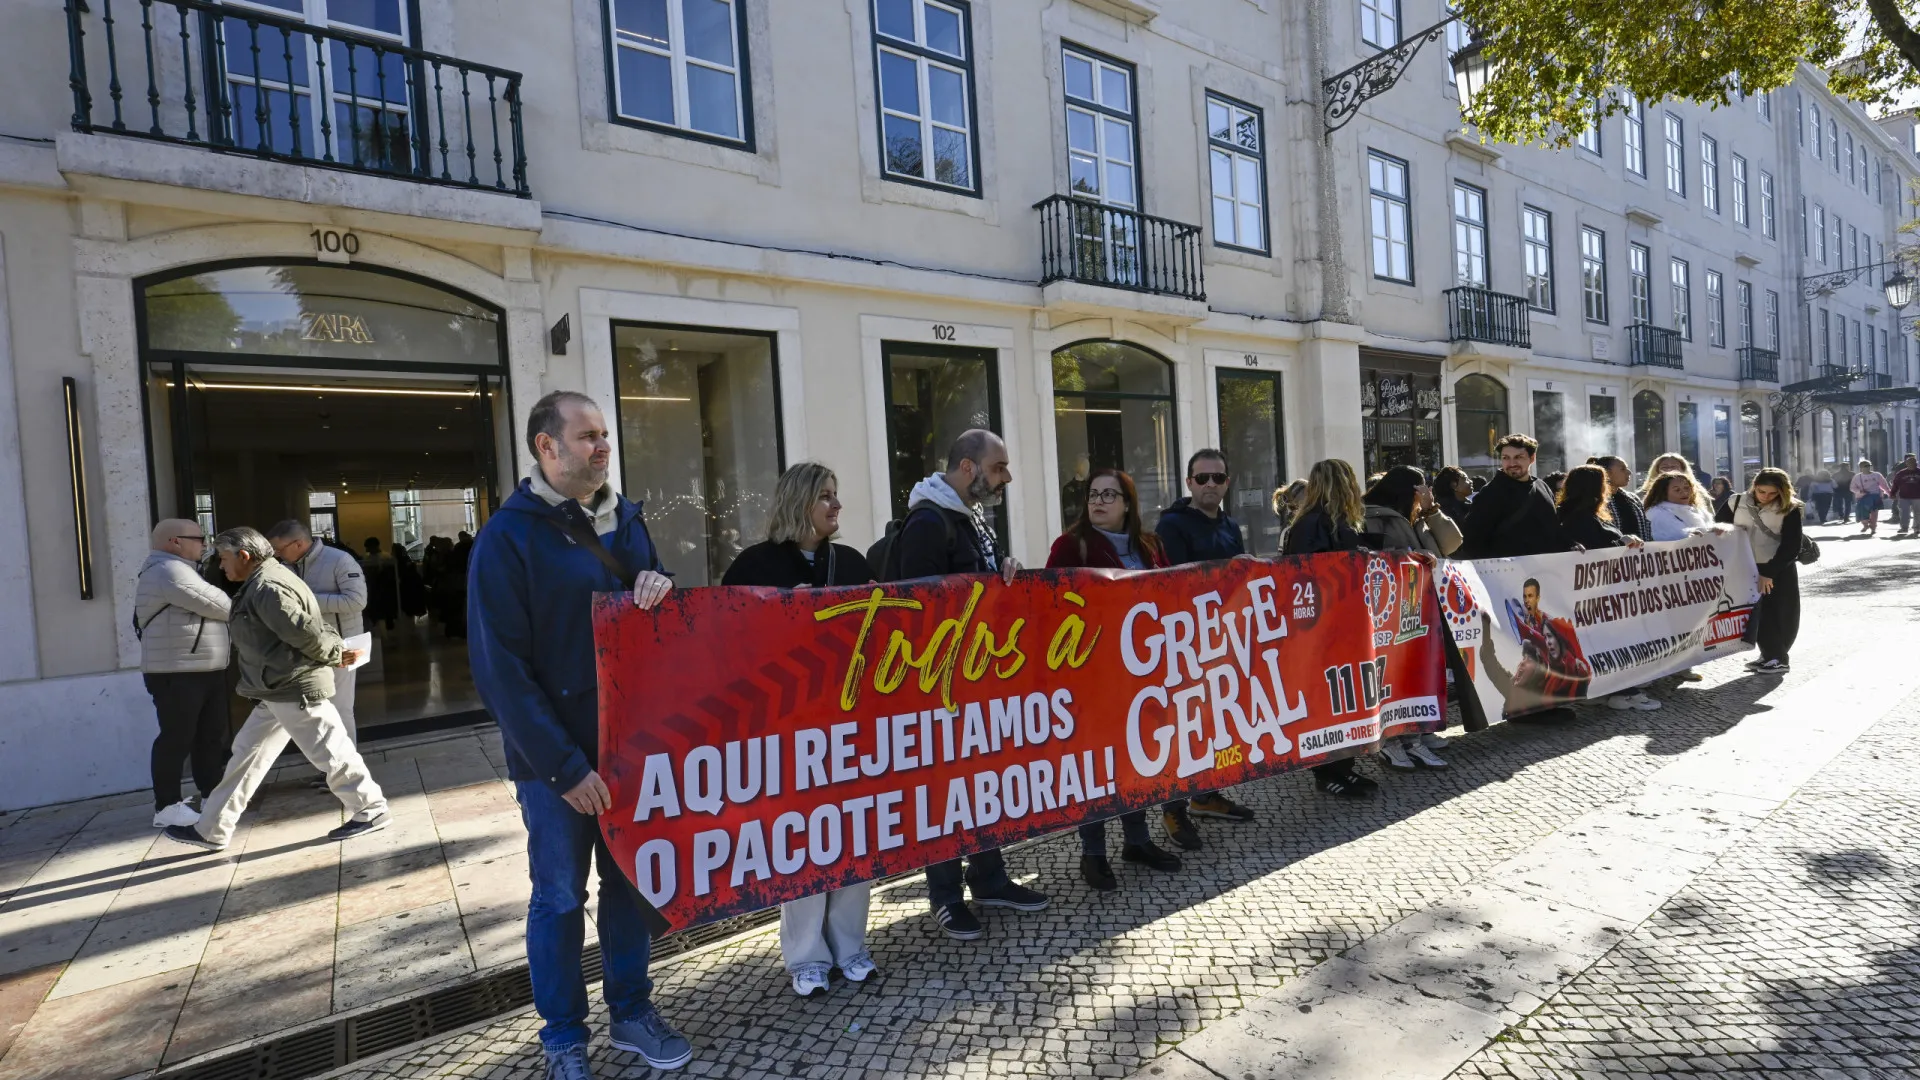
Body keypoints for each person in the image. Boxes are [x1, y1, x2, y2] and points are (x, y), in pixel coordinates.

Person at [468, 391, 691, 1076]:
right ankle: (564, 1037)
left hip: (626, 752)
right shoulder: (507, 538)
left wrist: (659, 584)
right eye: (587, 435)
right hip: (555, 768)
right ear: (547, 447)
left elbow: (653, 617)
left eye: (605, 436)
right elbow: (500, 670)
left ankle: (632, 1012)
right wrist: (565, 770)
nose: (602, 447)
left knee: (628, 886)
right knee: (561, 896)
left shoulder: (626, 521)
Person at [720, 463, 879, 996]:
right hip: (788, 729)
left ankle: (851, 943)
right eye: (826, 497)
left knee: (854, 834)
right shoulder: (753, 565)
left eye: (837, 496)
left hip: (851, 724)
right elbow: (729, 644)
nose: (837, 507)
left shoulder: (852, 563)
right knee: (805, 840)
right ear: (799, 502)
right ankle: (807, 954)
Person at [888, 429, 1052, 942]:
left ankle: (989, 878)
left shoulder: (971, 517)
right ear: (967, 467)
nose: (1005, 477)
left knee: (981, 785)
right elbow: (916, 607)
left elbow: (982, 580)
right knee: (944, 790)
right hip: (941, 687)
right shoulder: (928, 523)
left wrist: (1004, 569)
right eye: (998, 467)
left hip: (978, 680)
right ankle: (945, 896)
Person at [162, 527, 387, 853]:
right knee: (246, 757)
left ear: (244, 556)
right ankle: (212, 829)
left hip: (293, 687)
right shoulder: (266, 580)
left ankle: (371, 810)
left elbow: (305, 631)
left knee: (330, 751)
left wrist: (336, 653)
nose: (221, 567)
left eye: (224, 559)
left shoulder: (268, 587)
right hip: (276, 688)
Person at [1046, 468, 1185, 890]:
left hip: (1145, 672)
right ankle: (1093, 853)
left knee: (1136, 757)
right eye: (1092, 495)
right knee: (1097, 764)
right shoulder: (1072, 544)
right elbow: (1050, 600)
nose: (1098, 501)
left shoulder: (1150, 545)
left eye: (1109, 494)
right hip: (1094, 674)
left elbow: (1177, 590)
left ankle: (1137, 840)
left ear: (1128, 503)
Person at [1152, 450, 1258, 850]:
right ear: (1189, 483)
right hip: (1185, 641)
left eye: (1217, 477)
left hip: (1223, 637)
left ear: (1227, 482)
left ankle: (1206, 794)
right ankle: (1173, 808)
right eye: (1202, 478)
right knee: (1184, 726)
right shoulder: (1172, 525)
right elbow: (1175, 580)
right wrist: (1230, 572)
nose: (1210, 484)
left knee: (1216, 723)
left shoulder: (1230, 524)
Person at [1280, 459, 1380, 798]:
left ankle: (1345, 767)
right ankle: (1327, 772)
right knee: (1327, 698)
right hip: (1322, 627)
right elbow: (1309, 574)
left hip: (1342, 624)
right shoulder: (1313, 523)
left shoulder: (1333, 521)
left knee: (1344, 698)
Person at [1360, 466, 1461, 771]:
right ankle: (1391, 743)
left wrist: (1431, 511)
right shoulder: (1375, 516)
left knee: (1411, 676)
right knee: (1391, 679)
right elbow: (1374, 560)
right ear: (1411, 490)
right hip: (1390, 615)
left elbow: (1450, 544)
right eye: (1423, 488)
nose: (1427, 493)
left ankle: (1413, 738)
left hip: (1415, 612)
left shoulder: (1413, 516)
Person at [135, 519, 233, 829]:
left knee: (208, 736)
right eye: (199, 538)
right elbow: (222, 605)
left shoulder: (184, 570)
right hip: (177, 672)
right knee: (176, 737)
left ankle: (210, 795)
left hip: (201, 669)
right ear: (175, 541)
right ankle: (166, 806)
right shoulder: (168, 570)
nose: (205, 544)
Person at [1555, 466, 1659, 713]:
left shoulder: (1569, 512)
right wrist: (1620, 542)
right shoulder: (1582, 517)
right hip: (1601, 594)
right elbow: (1597, 548)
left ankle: (1604, 689)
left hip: (1594, 594)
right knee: (1615, 641)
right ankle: (1625, 693)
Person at [264, 520, 368, 742]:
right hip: (304, 647)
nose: (277, 555)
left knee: (339, 707)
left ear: (299, 544)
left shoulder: (339, 560)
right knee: (314, 709)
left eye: (279, 550)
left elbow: (357, 601)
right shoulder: (282, 567)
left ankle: (345, 770)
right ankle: (329, 766)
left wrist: (305, 600)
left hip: (342, 645)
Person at [1717, 468, 1804, 675]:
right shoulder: (1735, 502)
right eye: (1761, 491)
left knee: (1780, 612)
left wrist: (1770, 573)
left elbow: (1792, 545)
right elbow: (1718, 524)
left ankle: (1778, 657)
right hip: (1744, 565)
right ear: (1754, 487)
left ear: (1782, 491)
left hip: (1777, 567)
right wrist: (1721, 530)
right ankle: (1770, 655)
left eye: (1772, 493)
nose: (1766, 497)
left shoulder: (1790, 508)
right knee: (1754, 612)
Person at [1460, 434, 1561, 558]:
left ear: (1532, 458)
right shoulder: (1490, 493)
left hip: (1548, 570)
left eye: (1518, 457)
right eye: (1506, 458)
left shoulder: (1542, 487)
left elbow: (1555, 530)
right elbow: (1472, 542)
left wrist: (1570, 544)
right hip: (1507, 573)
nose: (1512, 463)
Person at [1644, 471, 1715, 540]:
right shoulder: (1657, 514)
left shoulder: (1699, 510)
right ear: (1664, 493)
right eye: (1677, 490)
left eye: (1686, 488)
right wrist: (1687, 534)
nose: (1684, 492)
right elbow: (1669, 536)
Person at [1592, 456, 1649, 539]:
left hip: (1638, 551)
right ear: (1606, 473)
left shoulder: (1632, 499)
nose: (1629, 472)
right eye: (1623, 469)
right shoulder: (1596, 501)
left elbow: (1646, 529)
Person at [361, 537, 399, 631]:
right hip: (374, 590)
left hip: (384, 590)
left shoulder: (386, 558)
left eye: (368, 547)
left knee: (385, 613)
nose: (367, 550)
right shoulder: (368, 558)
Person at [1850, 458, 1889, 536]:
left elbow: (1884, 485)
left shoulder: (1877, 475)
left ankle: (1873, 527)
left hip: (1875, 497)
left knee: (1874, 513)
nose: (1868, 467)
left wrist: (1889, 493)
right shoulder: (1857, 477)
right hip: (1862, 498)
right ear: (1860, 467)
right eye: (1865, 466)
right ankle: (1865, 525)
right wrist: (1860, 492)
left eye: (1869, 465)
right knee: (1862, 513)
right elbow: (1852, 488)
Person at [1891, 454, 1920, 537]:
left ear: (1916, 463)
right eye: (1910, 462)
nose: (1912, 464)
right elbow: (1895, 484)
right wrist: (1892, 493)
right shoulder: (1901, 473)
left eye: (1913, 462)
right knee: (1904, 513)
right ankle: (1904, 528)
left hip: (1917, 496)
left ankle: (1917, 528)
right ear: (1906, 464)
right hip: (1904, 496)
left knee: (1917, 513)